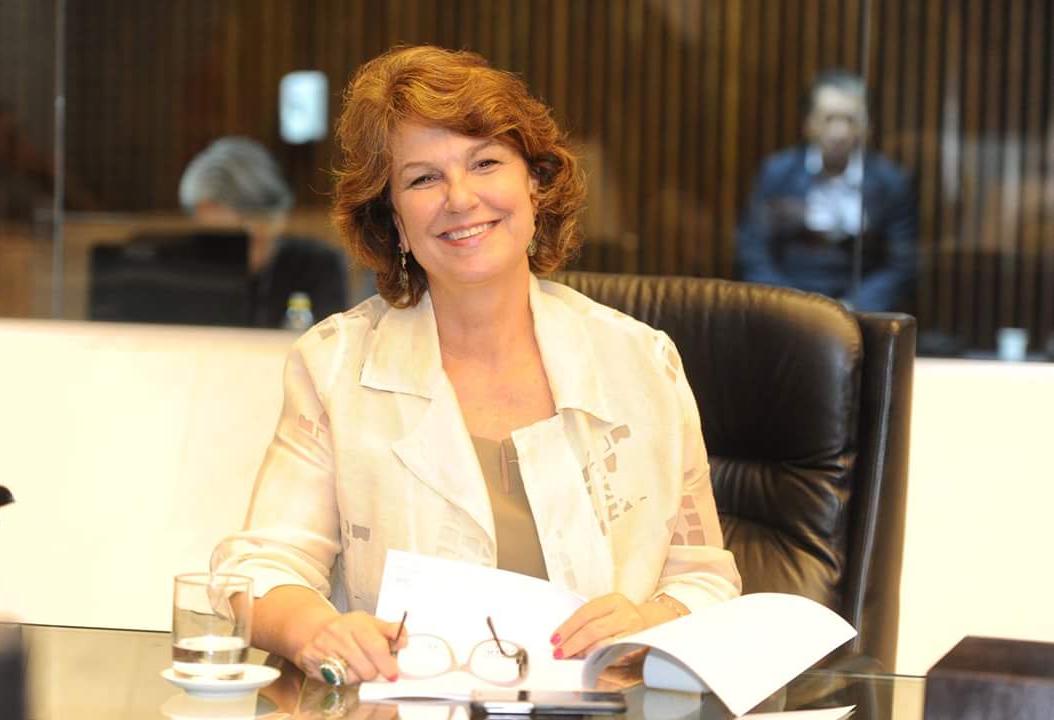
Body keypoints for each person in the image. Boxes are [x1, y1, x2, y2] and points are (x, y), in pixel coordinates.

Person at [211, 45, 740, 685]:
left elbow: (705, 579)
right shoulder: (335, 366)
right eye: (422, 179)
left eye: (485, 163)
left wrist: (651, 622)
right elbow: (260, 569)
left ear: (535, 184)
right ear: (394, 221)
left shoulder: (642, 363)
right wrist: (316, 632)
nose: (460, 198)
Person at [736, 70, 917, 312]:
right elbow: (753, 251)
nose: (839, 132)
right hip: (787, 308)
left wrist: (852, 308)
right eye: (829, 119)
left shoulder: (891, 181)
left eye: (850, 120)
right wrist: (795, 306)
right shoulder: (777, 173)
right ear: (808, 123)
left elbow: (902, 264)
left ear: (868, 127)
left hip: (861, 312)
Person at [179, 136, 348, 327]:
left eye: (233, 239)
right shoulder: (188, 269)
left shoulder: (317, 266)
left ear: (271, 222)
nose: (220, 253)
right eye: (210, 240)